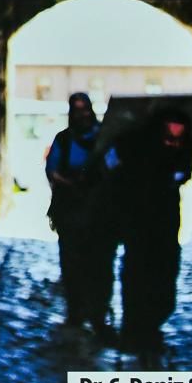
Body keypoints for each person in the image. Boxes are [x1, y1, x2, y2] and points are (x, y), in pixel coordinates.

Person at [113, 106, 192, 358]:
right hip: (139, 225)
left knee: (164, 278)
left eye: (177, 140)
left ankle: (151, 326)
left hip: (166, 226)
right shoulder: (138, 151)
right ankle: (134, 331)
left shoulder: (182, 151)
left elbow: (184, 172)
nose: (173, 144)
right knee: (137, 276)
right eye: (169, 139)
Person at [45, 93, 120, 338]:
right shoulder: (64, 140)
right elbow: (53, 171)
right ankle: (76, 311)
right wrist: (71, 184)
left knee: (101, 264)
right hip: (72, 212)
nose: (83, 114)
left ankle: (99, 313)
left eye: (85, 108)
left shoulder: (105, 139)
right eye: (77, 110)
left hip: (102, 212)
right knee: (72, 263)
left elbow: (115, 168)